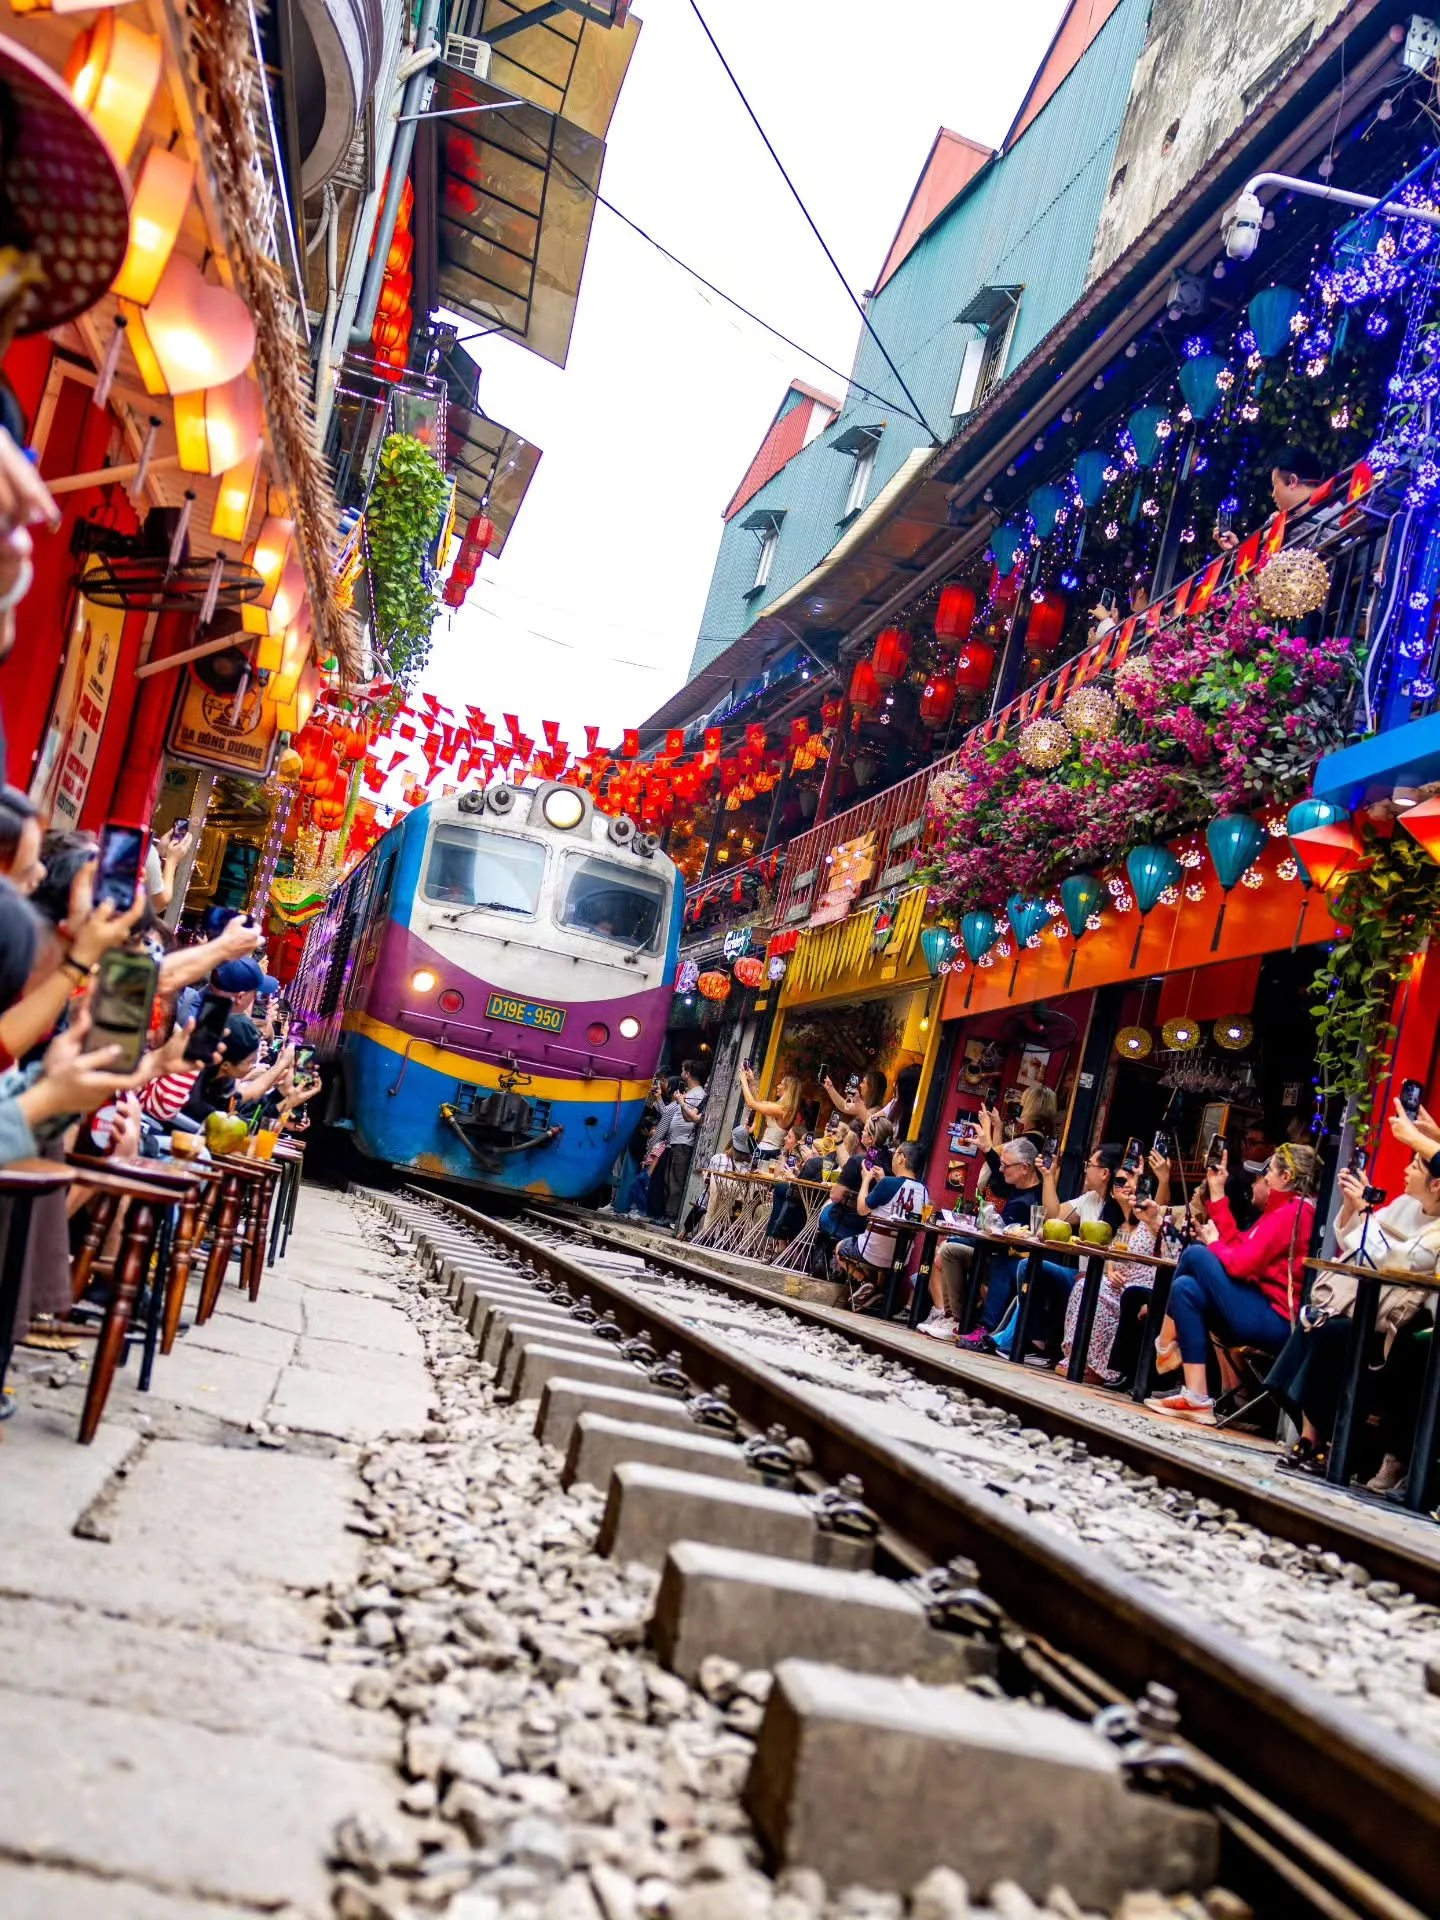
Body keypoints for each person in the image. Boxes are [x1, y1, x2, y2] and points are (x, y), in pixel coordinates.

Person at [1267, 1136, 1440, 1480]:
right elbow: (1356, 1241)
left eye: (1415, 1166)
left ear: (1436, 1185)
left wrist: (1365, 1212)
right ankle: (1311, 1439)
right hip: (1365, 1308)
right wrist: (1350, 1205)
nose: (1405, 1170)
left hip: (1396, 1326)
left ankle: (1327, 1443)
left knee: (1333, 1335)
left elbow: (1396, 1259)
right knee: (1315, 1325)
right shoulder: (1405, 1204)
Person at [1147, 1142, 1317, 1425]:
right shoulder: (1280, 1211)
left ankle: (1165, 1343)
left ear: (1286, 1177)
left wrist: (1213, 1244)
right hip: (1257, 1307)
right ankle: (1197, 1397)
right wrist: (1216, 1192)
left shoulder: (1296, 1212)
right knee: (1185, 1288)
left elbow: (1240, 1264)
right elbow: (1239, 1251)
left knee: (1195, 1254)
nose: (1261, 1178)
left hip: (1277, 1319)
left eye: (1268, 1172)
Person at [834, 1139, 928, 1309]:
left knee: (840, 1248)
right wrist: (883, 1181)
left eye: (895, 1153)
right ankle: (877, 1293)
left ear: (901, 1158)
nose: (893, 1157)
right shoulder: (925, 1191)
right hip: (901, 1258)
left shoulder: (888, 1183)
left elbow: (862, 1209)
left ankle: (866, 1283)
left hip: (871, 1252)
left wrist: (865, 1180)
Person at [1215, 447, 1325, 550]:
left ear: (1292, 481)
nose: (1273, 494)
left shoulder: (1333, 508)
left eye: (1274, 485)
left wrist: (1280, 529)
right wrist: (1237, 551)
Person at [817, 1114, 894, 1255]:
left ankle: (814, 1259)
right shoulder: (893, 1166)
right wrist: (839, 1142)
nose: (861, 1133)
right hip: (875, 1232)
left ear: (871, 1138)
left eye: (864, 1130)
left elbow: (835, 1196)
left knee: (826, 1206)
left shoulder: (858, 1161)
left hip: (846, 1224)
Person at [646, 1059, 706, 1225]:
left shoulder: (698, 1094)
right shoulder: (690, 1093)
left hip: (683, 1143)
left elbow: (690, 1119)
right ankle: (666, 1214)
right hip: (675, 1142)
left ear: (687, 1073)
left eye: (682, 1070)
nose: (681, 1074)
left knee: (676, 1181)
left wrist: (680, 1102)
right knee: (668, 1179)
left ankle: (671, 1217)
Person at [739, 1064, 799, 1162]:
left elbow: (751, 1103)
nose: (778, 1086)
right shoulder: (783, 1108)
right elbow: (759, 1104)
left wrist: (743, 1081)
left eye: (781, 1084)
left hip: (768, 1153)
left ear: (788, 1089)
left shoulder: (783, 1110)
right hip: (766, 1151)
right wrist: (752, 1082)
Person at [824, 1067, 888, 1130]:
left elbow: (870, 1124)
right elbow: (843, 1106)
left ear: (871, 1088)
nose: (860, 1085)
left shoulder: (876, 1111)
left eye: (863, 1082)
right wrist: (830, 1087)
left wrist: (857, 1100)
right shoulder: (864, 1106)